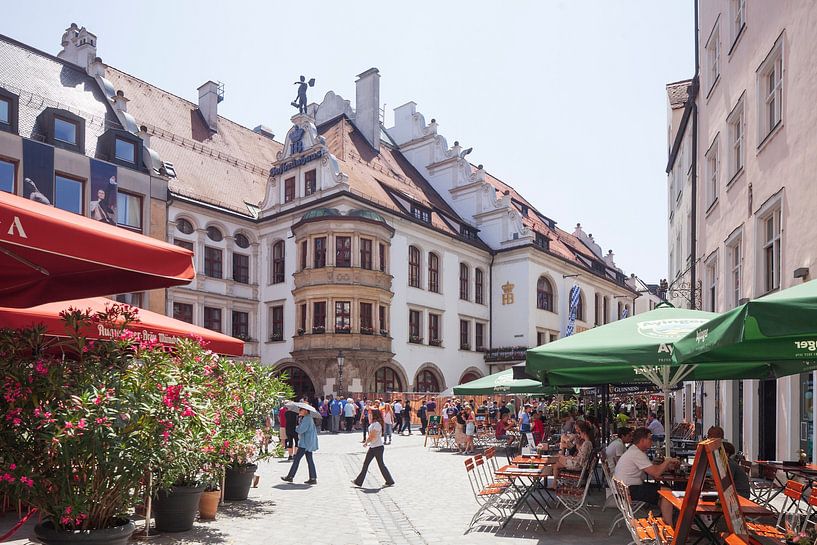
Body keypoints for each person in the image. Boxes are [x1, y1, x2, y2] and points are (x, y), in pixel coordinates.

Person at [614, 427, 679, 525]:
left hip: (626, 488)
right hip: (630, 490)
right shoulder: (637, 453)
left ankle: (665, 522)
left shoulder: (634, 450)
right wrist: (668, 461)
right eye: (650, 439)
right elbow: (655, 473)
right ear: (642, 440)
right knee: (667, 493)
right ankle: (669, 527)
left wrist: (664, 465)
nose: (651, 441)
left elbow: (651, 469)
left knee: (664, 491)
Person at [352, 408, 395, 488]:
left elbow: (373, 435)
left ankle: (390, 481)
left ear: (374, 415)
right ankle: (358, 481)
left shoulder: (377, 424)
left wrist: (366, 442)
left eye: (370, 413)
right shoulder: (373, 423)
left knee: (381, 465)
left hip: (378, 447)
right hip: (373, 447)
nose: (369, 415)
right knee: (366, 464)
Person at [281, 407, 319, 485]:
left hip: (305, 443)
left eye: (301, 410)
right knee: (309, 460)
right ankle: (313, 478)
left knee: (297, 459)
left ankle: (290, 476)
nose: (299, 411)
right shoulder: (307, 418)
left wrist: (297, 428)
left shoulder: (307, 419)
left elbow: (301, 430)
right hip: (308, 443)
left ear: (305, 411)